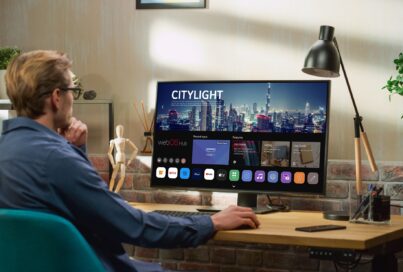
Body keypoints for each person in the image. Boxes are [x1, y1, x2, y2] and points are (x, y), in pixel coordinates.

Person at [0, 50, 260, 272]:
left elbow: (69, 207)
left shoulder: (9, 148)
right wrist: (211, 222)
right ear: (57, 97)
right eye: (73, 90)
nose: (73, 99)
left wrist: (76, 150)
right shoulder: (56, 158)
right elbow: (135, 226)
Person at [108, 124, 138, 193]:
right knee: (113, 177)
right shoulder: (113, 141)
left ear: (123, 131)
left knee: (122, 177)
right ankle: (110, 192)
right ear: (116, 131)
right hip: (118, 158)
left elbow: (136, 149)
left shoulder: (125, 140)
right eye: (118, 130)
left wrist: (130, 159)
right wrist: (112, 163)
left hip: (122, 159)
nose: (119, 132)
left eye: (121, 130)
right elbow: (109, 153)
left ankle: (115, 193)